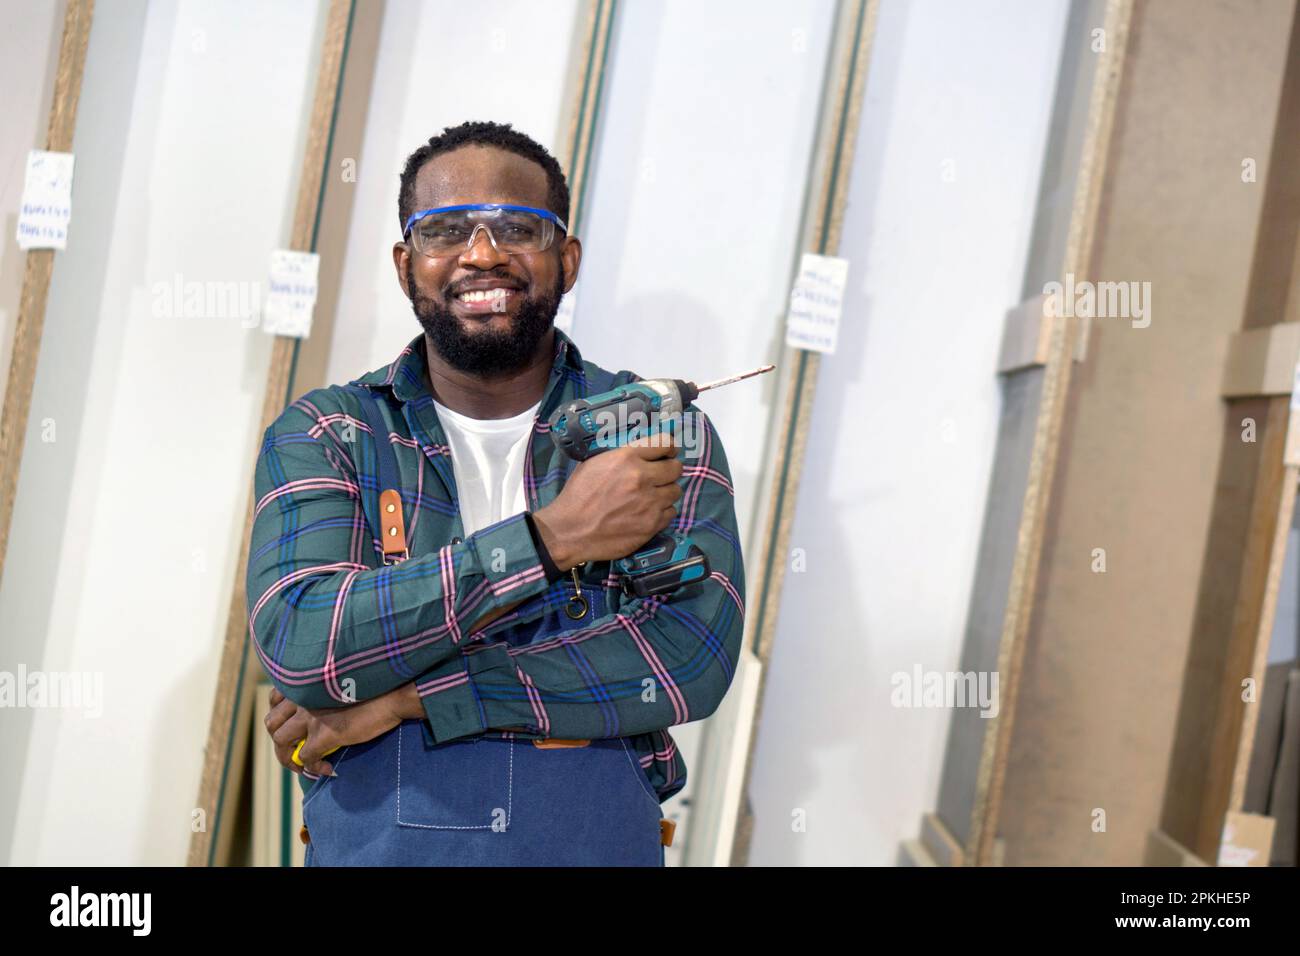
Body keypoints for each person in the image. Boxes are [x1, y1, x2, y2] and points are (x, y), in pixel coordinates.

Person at [251, 120, 745, 866]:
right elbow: (306, 645)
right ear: (405, 262)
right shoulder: (329, 431)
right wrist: (553, 539)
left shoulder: (656, 435)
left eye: (518, 226)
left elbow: (688, 659)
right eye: (445, 229)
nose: (482, 254)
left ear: (566, 260)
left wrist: (402, 697)